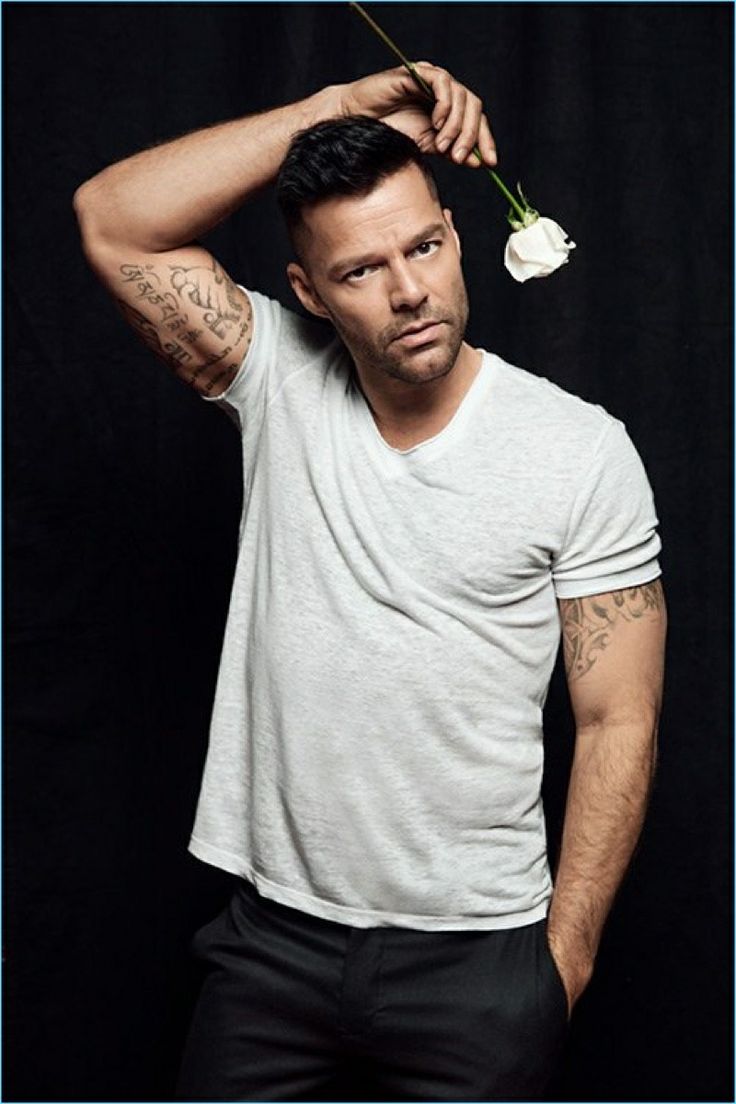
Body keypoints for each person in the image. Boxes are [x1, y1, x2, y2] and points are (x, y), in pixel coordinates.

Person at [73, 60, 668, 1103]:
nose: (408, 291)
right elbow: (114, 222)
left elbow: (619, 718)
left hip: (480, 963)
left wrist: (560, 966)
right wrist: (331, 110)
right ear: (309, 292)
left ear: (455, 233)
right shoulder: (277, 378)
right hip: (272, 949)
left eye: (423, 246)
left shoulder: (580, 451)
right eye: (360, 270)